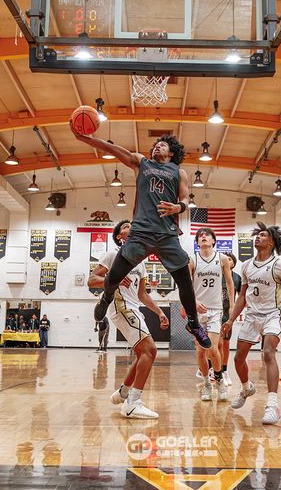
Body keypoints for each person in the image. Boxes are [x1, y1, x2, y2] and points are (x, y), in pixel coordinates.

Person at [72, 126, 211, 348]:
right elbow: (113, 149)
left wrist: (177, 207)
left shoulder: (179, 172)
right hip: (141, 233)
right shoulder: (142, 162)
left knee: (185, 280)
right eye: (155, 145)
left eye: (162, 145)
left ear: (172, 152)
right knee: (114, 277)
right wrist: (86, 138)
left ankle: (193, 324)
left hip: (167, 235)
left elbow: (185, 200)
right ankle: (107, 298)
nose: (157, 146)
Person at [223, 222, 281, 425]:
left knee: (268, 353)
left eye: (263, 235)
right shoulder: (246, 266)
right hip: (252, 316)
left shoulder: (280, 265)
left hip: (272, 314)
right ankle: (246, 388)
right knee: (237, 360)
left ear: (271, 242)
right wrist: (230, 319)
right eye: (257, 235)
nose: (258, 238)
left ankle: (272, 405)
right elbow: (242, 296)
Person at [90, 219, 169, 419]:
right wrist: (111, 279)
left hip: (135, 308)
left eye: (132, 225)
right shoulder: (111, 255)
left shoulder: (140, 262)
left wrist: (159, 312)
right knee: (150, 349)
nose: (130, 227)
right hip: (120, 307)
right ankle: (133, 402)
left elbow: (142, 295)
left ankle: (125, 391)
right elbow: (92, 280)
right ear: (119, 237)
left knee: (143, 352)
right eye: (125, 226)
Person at [188, 227, 235, 402]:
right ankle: (207, 384)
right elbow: (185, 285)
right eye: (200, 236)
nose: (203, 237)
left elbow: (230, 284)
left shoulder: (222, 259)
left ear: (213, 240)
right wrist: (192, 302)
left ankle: (219, 379)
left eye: (207, 235)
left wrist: (231, 306)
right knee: (200, 351)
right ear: (198, 242)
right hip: (198, 312)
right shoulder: (192, 260)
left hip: (215, 310)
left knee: (213, 348)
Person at [220, 252, 242, 387]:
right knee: (216, 343)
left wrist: (237, 311)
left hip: (228, 315)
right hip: (215, 312)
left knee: (226, 344)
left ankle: (224, 370)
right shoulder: (216, 275)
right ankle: (213, 369)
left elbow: (242, 297)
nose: (227, 261)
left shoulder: (237, 278)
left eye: (230, 259)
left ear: (233, 262)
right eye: (225, 259)